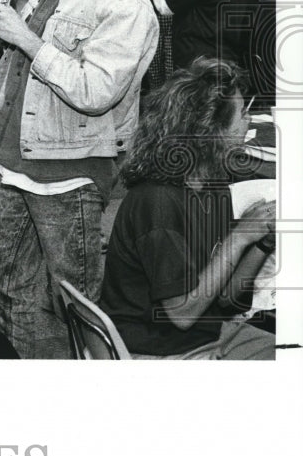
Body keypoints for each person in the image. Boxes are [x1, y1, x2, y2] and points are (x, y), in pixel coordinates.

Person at [0, 0, 159, 359]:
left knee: (69, 307)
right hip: (21, 163)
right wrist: (7, 24)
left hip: (70, 174)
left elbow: (97, 91)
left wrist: (25, 40)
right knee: (0, 292)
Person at [99, 58, 275, 359]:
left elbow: (225, 297)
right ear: (211, 133)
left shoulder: (210, 183)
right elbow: (182, 315)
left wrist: (262, 241)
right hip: (159, 349)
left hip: (204, 332)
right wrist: (239, 237)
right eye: (243, 113)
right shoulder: (158, 203)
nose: (248, 121)